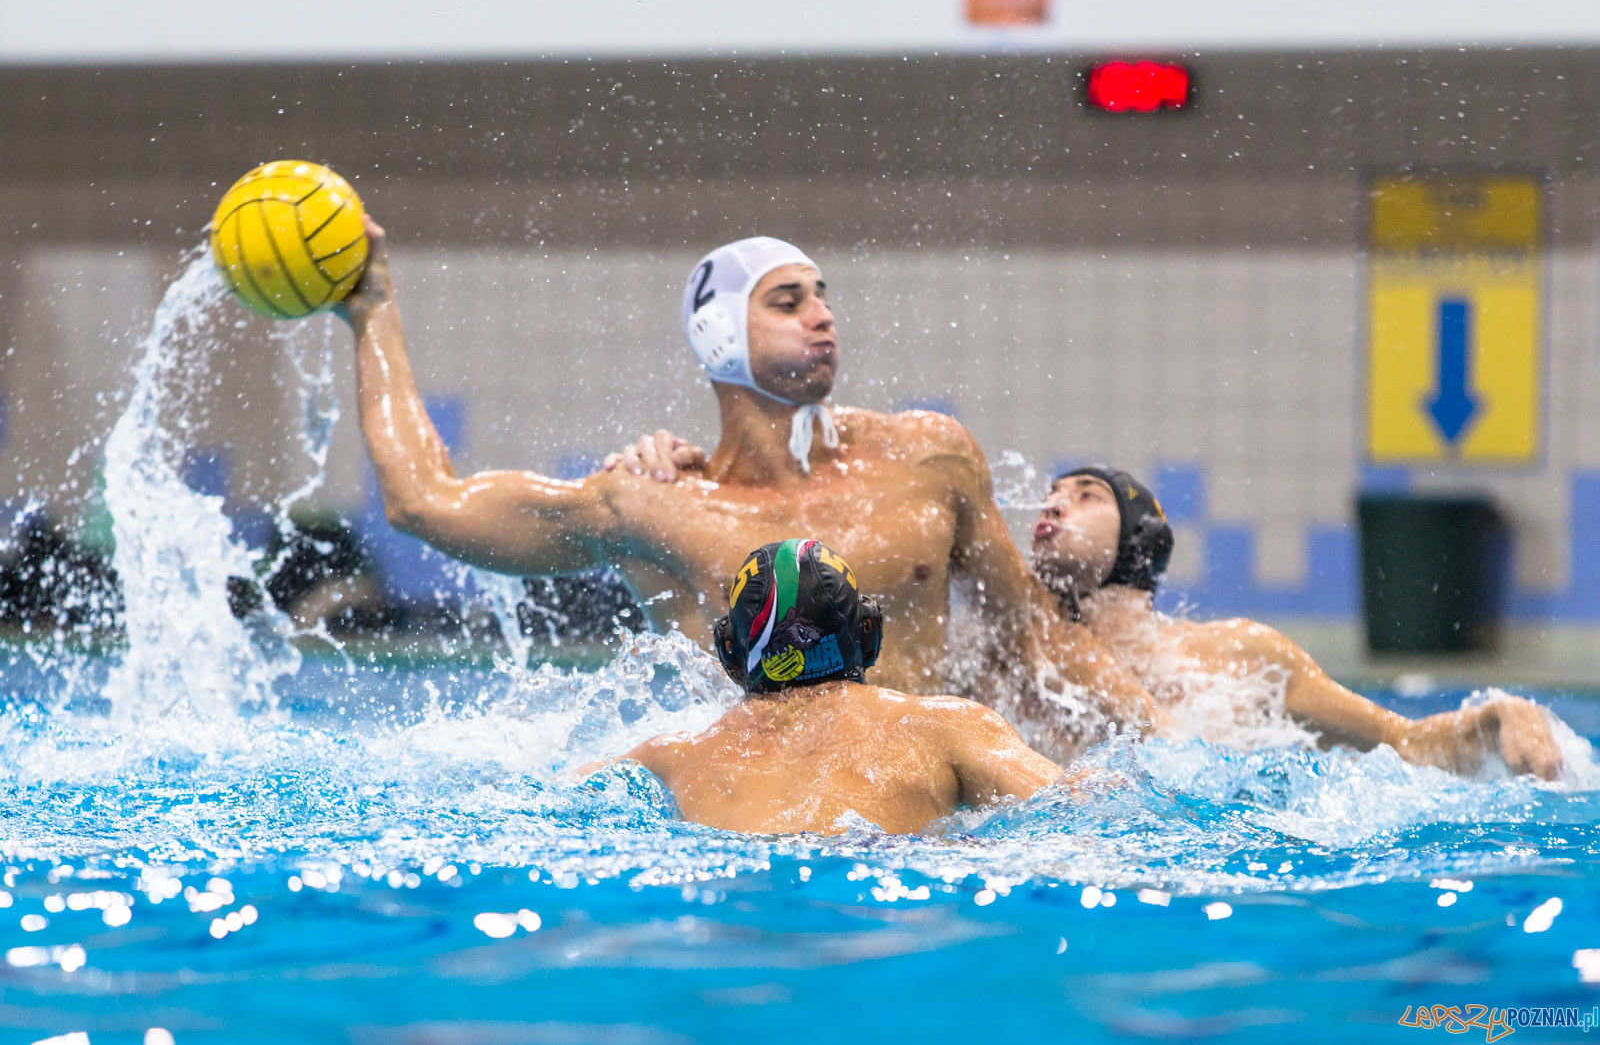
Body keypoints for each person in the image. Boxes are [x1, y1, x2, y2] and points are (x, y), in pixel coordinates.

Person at [336, 218, 1159, 745]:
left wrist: (1170, 735)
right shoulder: (655, 503)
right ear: (719, 333)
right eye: (788, 301)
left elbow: (1031, 635)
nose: (823, 315)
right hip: (771, 826)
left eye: (823, 297)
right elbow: (425, 501)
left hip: (937, 817)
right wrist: (372, 309)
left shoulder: (929, 456)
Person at [1030, 466, 1565, 780]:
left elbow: (1401, 742)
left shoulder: (1243, 655)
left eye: (1085, 496)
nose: (1055, 506)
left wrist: (1495, 716)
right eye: (1052, 496)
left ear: (1140, 539)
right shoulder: (1020, 654)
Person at [582, 539, 1065, 835]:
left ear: (730, 654)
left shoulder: (668, 757)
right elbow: (1080, 807)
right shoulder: (949, 727)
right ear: (868, 636)